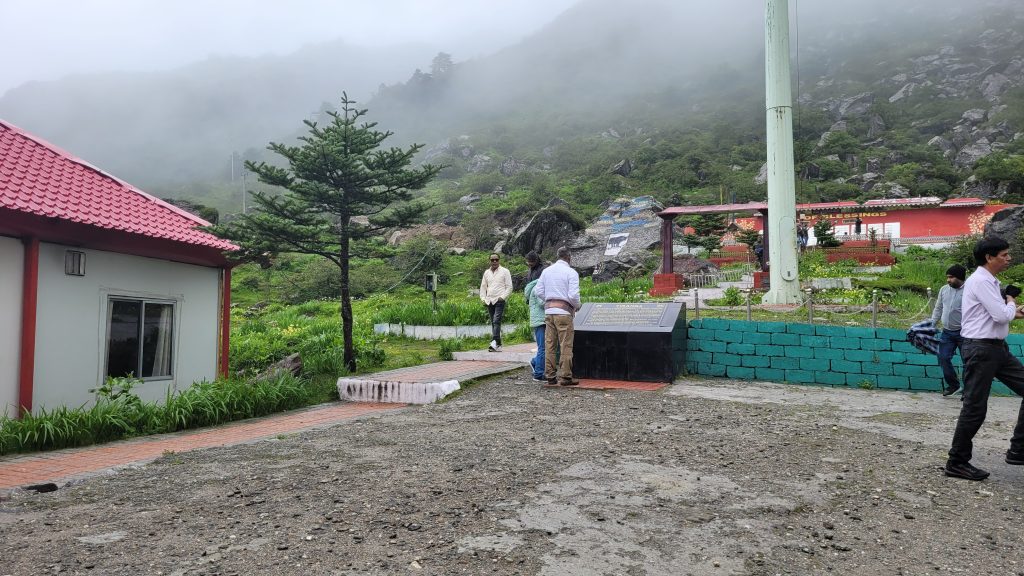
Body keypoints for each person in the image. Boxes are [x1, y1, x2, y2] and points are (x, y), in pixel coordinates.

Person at [945, 236, 1024, 481]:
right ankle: (957, 462)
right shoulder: (980, 281)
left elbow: (996, 315)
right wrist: (1011, 302)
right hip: (980, 350)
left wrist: (1014, 311)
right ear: (989, 257)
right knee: (974, 407)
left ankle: (1018, 450)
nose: (1008, 258)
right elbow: (1001, 315)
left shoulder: (990, 281)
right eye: (1004, 255)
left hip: (997, 349)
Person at [534, 246, 581, 387]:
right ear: (569, 257)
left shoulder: (546, 271)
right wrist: (577, 305)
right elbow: (573, 295)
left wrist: (549, 300)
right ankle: (566, 377)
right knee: (566, 345)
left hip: (549, 312)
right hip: (564, 313)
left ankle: (550, 376)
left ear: (558, 256)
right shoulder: (571, 273)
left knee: (550, 345)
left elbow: (538, 291)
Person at [931, 264, 966, 397]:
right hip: (947, 332)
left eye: (951, 277)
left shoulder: (970, 290)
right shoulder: (944, 289)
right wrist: (932, 323)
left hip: (965, 332)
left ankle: (968, 390)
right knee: (943, 357)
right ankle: (954, 385)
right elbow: (938, 308)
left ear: (960, 277)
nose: (948, 280)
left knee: (968, 362)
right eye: (947, 277)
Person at [479, 253, 512, 352]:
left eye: (496, 260)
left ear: (499, 260)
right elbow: (483, 287)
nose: (494, 262)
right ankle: (498, 344)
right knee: (494, 323)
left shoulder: (505, 271)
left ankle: (494, 342)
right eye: (492, 260)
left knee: (496, 320)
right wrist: (483, 299)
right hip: (489, 301)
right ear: (489, 261)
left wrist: (502, 297)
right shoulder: (486, 272)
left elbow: (509, 287)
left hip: (499, 300)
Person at [524, 276, 546, 382]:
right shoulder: (539, 287)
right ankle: (538, 374)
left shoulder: (538, 285)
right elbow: (542, 303)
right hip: (541, 321)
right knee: (543, 347)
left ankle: (535, 361)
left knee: (544, 346)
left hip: (541, 320)